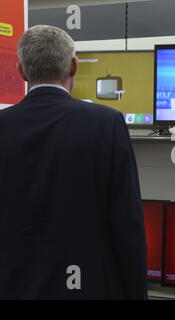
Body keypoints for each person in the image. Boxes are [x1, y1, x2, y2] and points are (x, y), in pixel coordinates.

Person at [0, 25, 147, 299]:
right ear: (73, 66)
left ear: (21, 71)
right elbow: (127, 221)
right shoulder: (106, 123)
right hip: (86, 283)